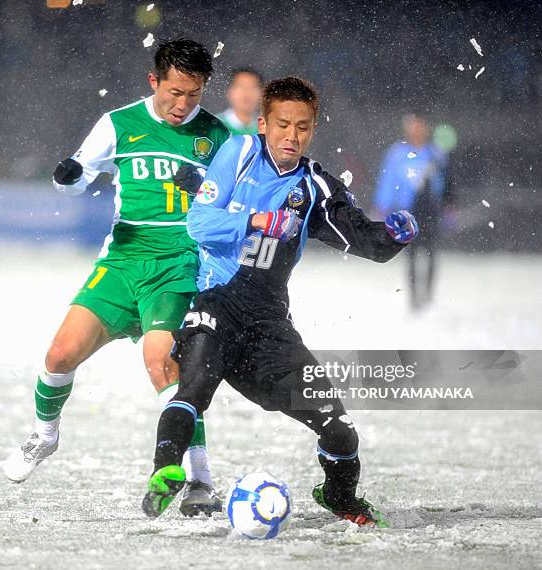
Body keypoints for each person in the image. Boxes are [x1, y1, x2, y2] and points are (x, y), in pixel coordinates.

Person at [141, 77, 418, 525]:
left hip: (269, 325)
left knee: (339, 428)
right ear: (265, 123)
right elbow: (199, 222)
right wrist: (257, 219)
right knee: (191, 389)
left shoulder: (315, 187)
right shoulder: (239, 153)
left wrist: (393, 236)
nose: (291, 136)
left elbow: (364, 238)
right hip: (217, 306)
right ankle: (166, 471)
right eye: (283, 124)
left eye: (302, 127)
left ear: (312, 130)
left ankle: (340, 497)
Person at [3, 38, 230, 517]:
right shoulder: (119, 124)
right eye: (174, 91)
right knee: (59, 353)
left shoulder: (218, 136)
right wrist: (66, 175)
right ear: (154, 82)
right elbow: (78, 175)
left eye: (193, 93)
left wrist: (208, 189)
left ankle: (201, 480)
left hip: (179, 263)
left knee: (161, 363)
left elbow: (236, 202)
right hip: (123, 259)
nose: (182, 104)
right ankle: (45, 437)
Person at [373, 113, 450, 310]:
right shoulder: (397, 153)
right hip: (408, 212)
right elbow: (388, 180)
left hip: (431, 211)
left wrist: (448, 204)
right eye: (413, 127)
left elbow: (447, 181)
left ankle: (429, 295)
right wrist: (381, 206)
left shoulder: (435, 153)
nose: (417, 131)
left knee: (432, 253)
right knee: (412, 255)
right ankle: (414, 298)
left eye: (420, 126)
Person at [218, 68, 263, 135]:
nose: (247, 92)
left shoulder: (266, 128)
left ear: (262, 93)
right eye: (241, 86)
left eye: (252, 87)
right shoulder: (215, 126)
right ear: (230, 92)